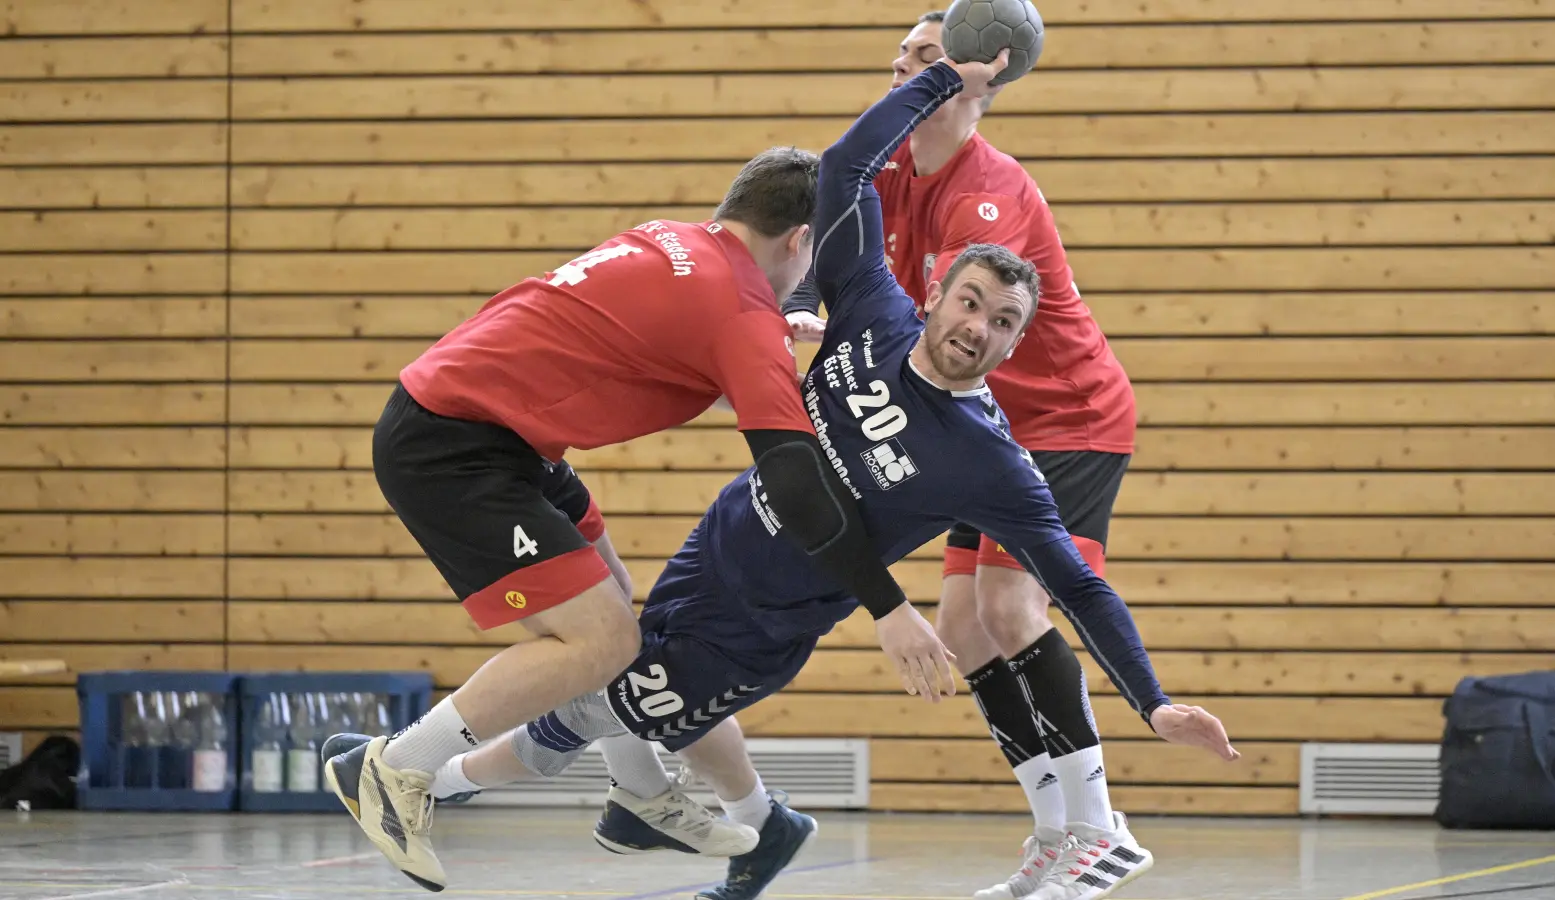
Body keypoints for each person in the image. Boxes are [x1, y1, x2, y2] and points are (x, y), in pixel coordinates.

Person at [422, 53, 1238, 900]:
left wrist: (1154, 702)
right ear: (933, 293)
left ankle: (418, 775)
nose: (978, 328)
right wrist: (934, 84)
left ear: (1014, 345)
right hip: (718, 544)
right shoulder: (869, 302)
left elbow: (1077, 585)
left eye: (1004, 323)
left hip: (764, 623)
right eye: (969, 303)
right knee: (619, 679)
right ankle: (723, 816)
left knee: (598, 705)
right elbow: (843, 170)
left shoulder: (991, 464)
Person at [319, 147, 950, 893]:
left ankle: (643, 797)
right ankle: (393, 768)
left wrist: (762, 356)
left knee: (622, 620)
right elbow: (790, 469)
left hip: (504, 433)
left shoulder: (674, 239)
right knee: (598, 639)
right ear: (801, 240)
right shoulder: (739, 313)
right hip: (455, 446)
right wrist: (888, 602)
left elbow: (675, 355)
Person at [781, 12, 1148, 899]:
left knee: (1010, 604)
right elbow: (846, 261)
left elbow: (952, 325)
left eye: (919, 55)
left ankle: (1101, 833)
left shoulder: (989, 193)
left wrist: (840, 334)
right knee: (960, 627)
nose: (897, 66)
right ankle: (1058, 832)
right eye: (899, 54)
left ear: (972, 73)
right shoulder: (897, 169)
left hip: (1067, 418)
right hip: (981, 431)